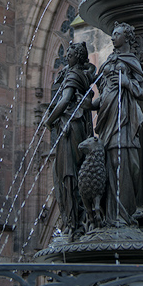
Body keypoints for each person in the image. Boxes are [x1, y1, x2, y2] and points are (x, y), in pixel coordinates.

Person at [92, 22, 143, 226]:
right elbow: (104, 91)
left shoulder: (131, 60)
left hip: (125, 117)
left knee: (126, 163)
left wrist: (127, 83)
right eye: (113, 34)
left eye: (117, 34)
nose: (113, 37)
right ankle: (111, 217)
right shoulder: (108, 61)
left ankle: (125, 215)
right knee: (110, 163)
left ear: (127, 37)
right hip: (107, 119)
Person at [44, 42, 96, 236]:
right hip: (78, 124)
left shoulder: (73, 75)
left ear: (78, 57)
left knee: (68, 173)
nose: (67, 57)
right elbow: (92, 69)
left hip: (70, 127)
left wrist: (49, 121)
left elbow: (65, 99)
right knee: (74, 169)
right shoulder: (81, 72)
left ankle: (73, 222)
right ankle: (78, 217)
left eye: (71, 54)